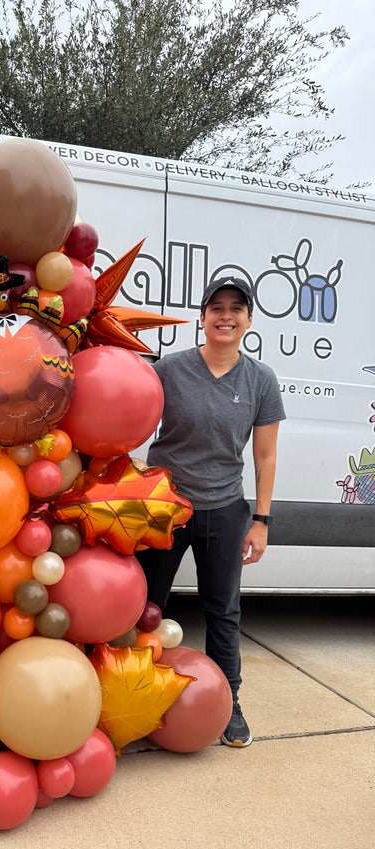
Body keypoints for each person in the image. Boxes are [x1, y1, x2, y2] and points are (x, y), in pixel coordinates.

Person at [137, 277, 286, 747]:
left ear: (248, 319)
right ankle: (133, 695)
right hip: (167, 506)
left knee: (223, 611)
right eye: (216, 307)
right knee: (145, 608)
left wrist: (260, 521)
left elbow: (265, 456)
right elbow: (130, 418)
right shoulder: (170, 369)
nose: (226, 316)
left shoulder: (261, 380)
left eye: (236, 308)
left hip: (225, 509)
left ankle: (229, 703)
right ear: (202, 317)